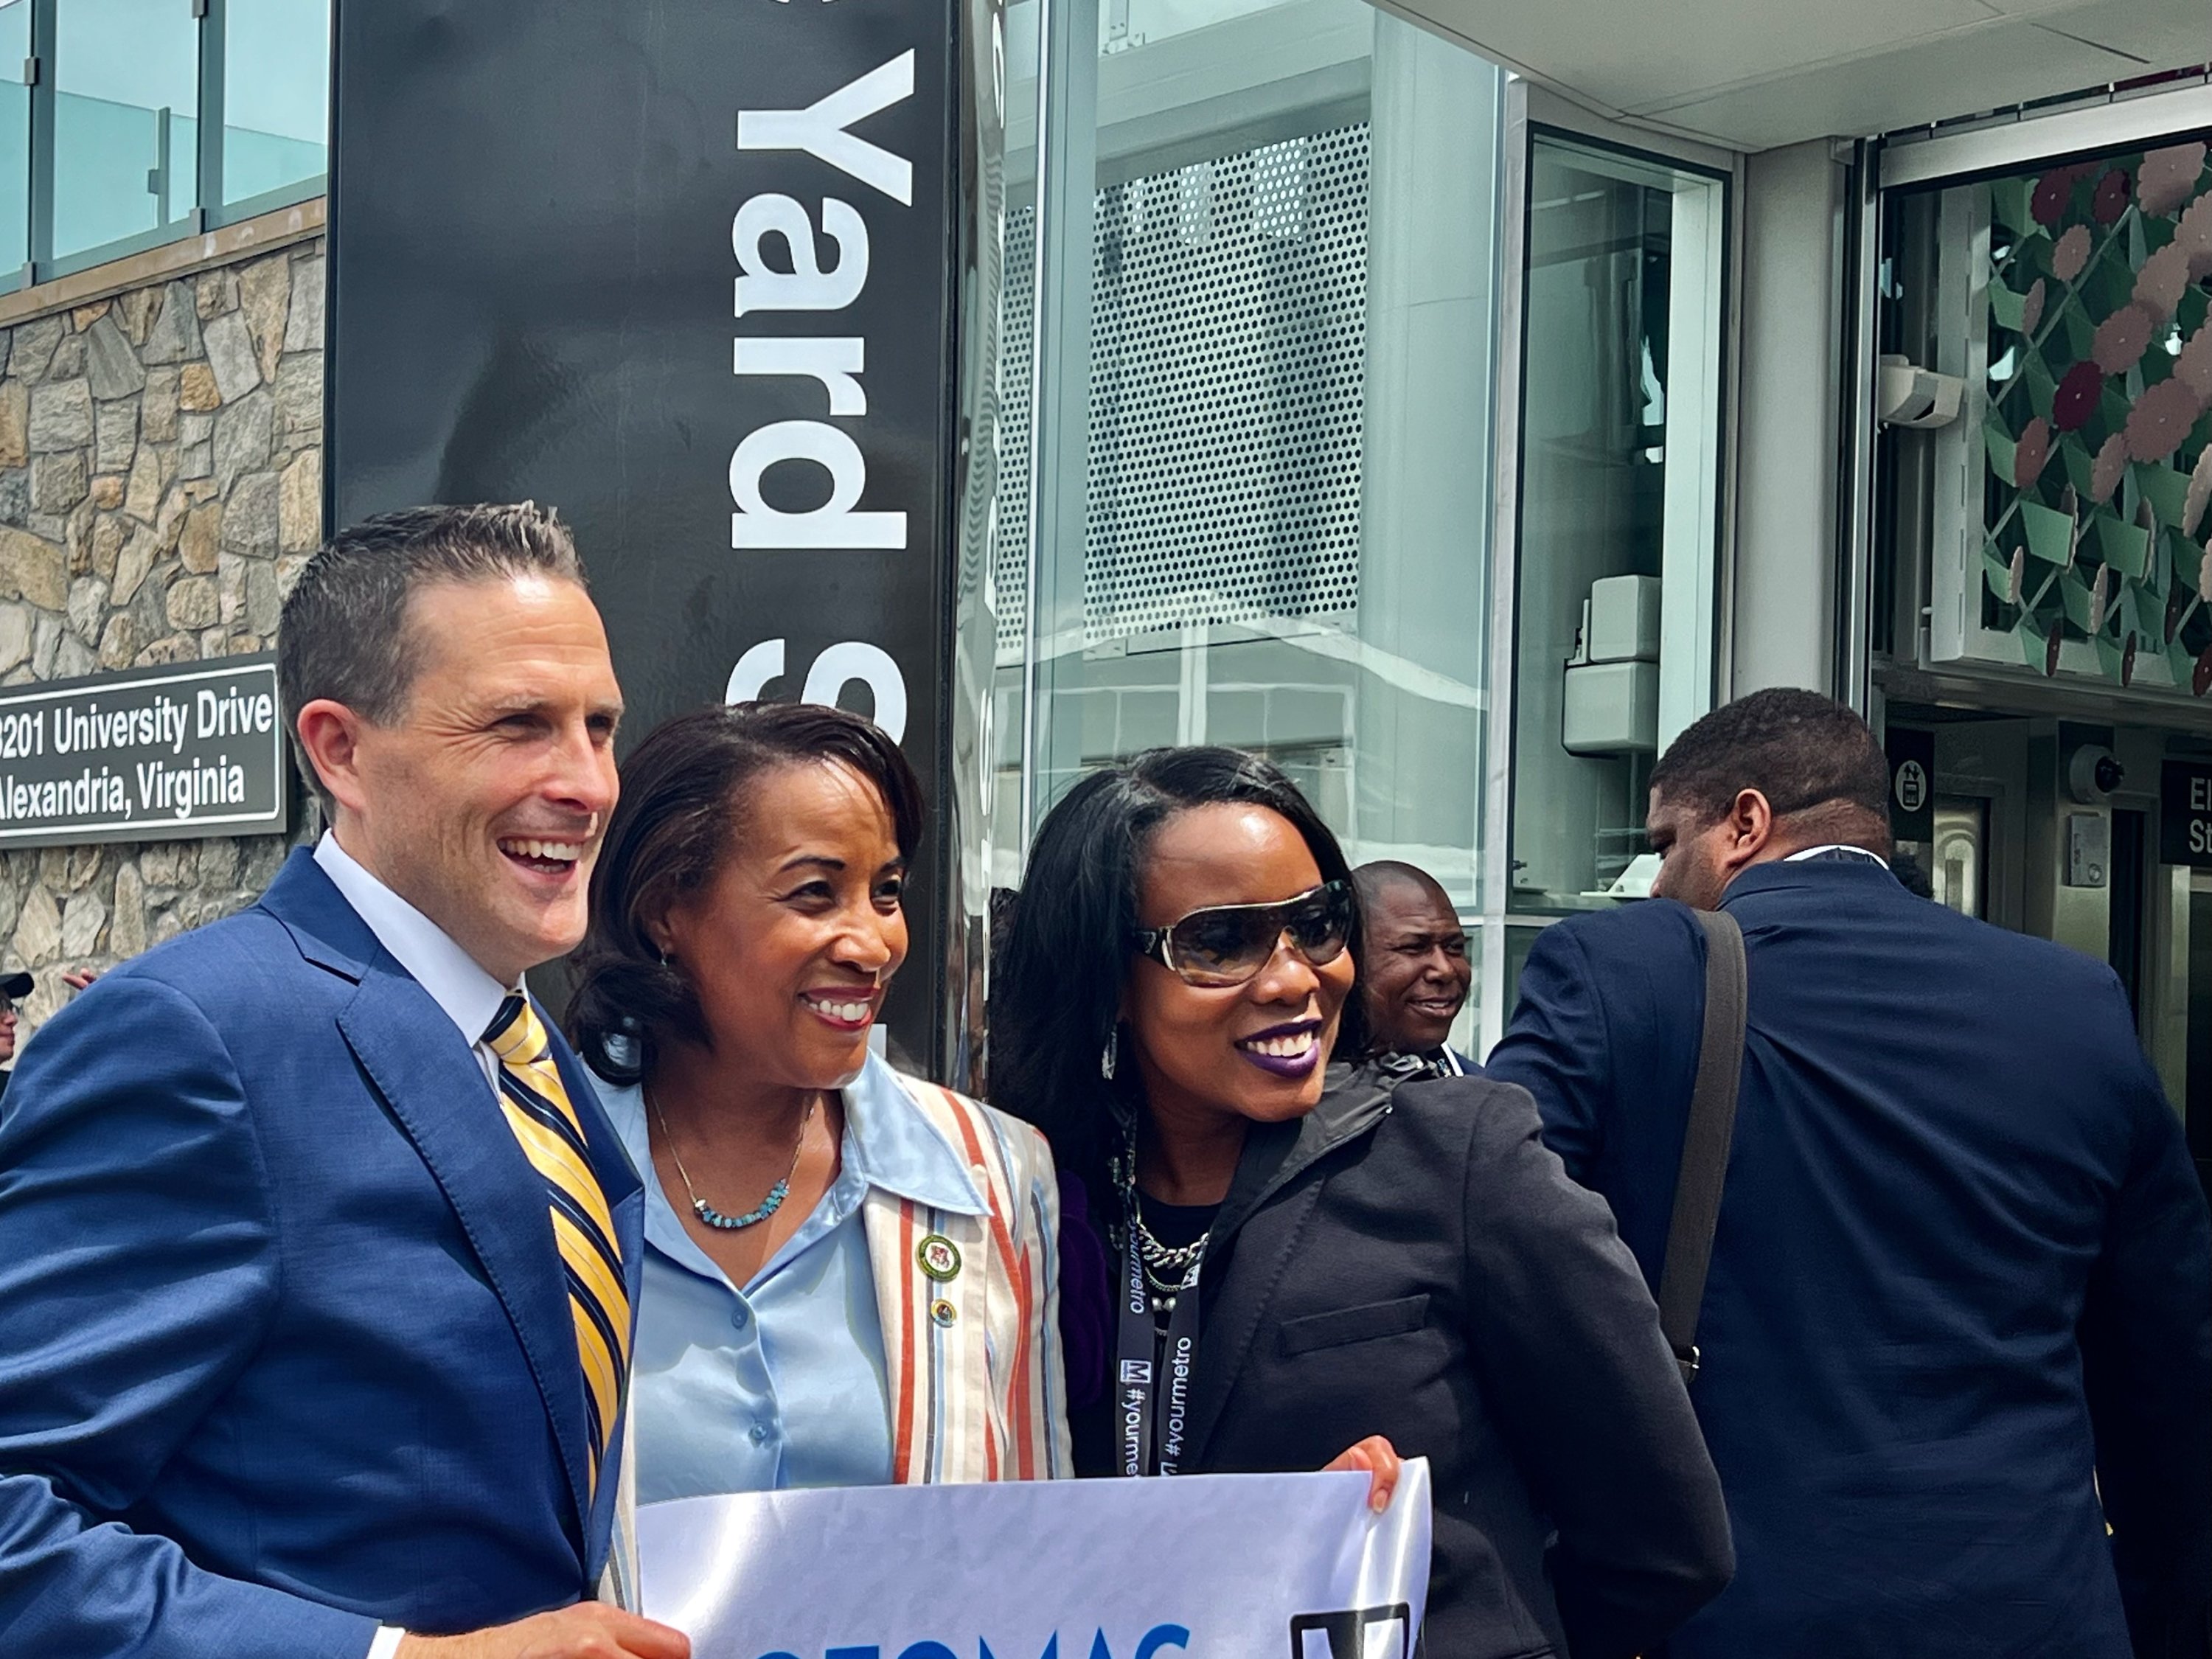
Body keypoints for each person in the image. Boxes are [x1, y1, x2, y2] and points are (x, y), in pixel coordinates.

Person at [0, 504, 687, 1659]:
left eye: (599, 725)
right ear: (339, 750)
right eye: (520, 723)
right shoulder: (197, 1041)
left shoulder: (528, 1052)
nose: (587, 782)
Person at [1486, 688, 2212, 1659]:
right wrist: (2158, 1611)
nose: (1656, 880)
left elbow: (1485, 1240)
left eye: (1667, 842)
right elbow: (2167, 1371)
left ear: (1744, 822)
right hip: (2036, 1610)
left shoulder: (1621, 973)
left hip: (1739, 1618)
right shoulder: (2074, 998)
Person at [991, 745, 1732, 1659]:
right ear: (1103, 978)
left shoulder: (1459, 1160)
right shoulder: (1026, 1205)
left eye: (1318, 923)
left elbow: (1664, 1538)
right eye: (1222, 942)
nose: (1295, 979)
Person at [564, 702, 1068, 1495]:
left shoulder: (995, 1172)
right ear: (666, 909)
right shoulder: (539, 1169)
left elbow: (1033, 1531)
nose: (872, 944)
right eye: (814, 894)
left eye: (888, 892)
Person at [1350, 859, 1473, 1075]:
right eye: (1414, 948)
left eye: (1454, 947)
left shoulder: (1482, 1096)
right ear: (1349, 959)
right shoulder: (1292, 1097)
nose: (1445, 970)